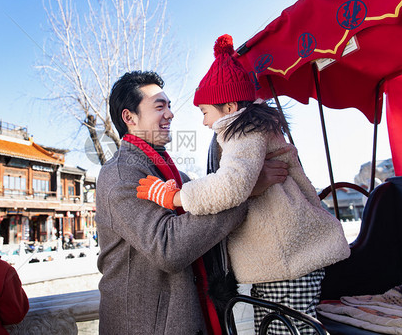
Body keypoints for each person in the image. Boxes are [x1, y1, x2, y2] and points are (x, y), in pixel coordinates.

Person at [137, 34, 350, 334]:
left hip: (288, 261)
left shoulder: (243, 129)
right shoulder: (251, 129)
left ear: (229, 107)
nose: (204, 122)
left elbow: (231, 185)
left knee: (290, 329)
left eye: (205, 112)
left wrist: (175, 197)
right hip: (284, 260)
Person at [95, 70, 290, 334]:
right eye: (159, 106)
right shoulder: (120, 174)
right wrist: (244, 192)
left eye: (170, 105)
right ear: (129, 117)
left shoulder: (178, 176)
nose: (170, 114)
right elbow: (168, 248)